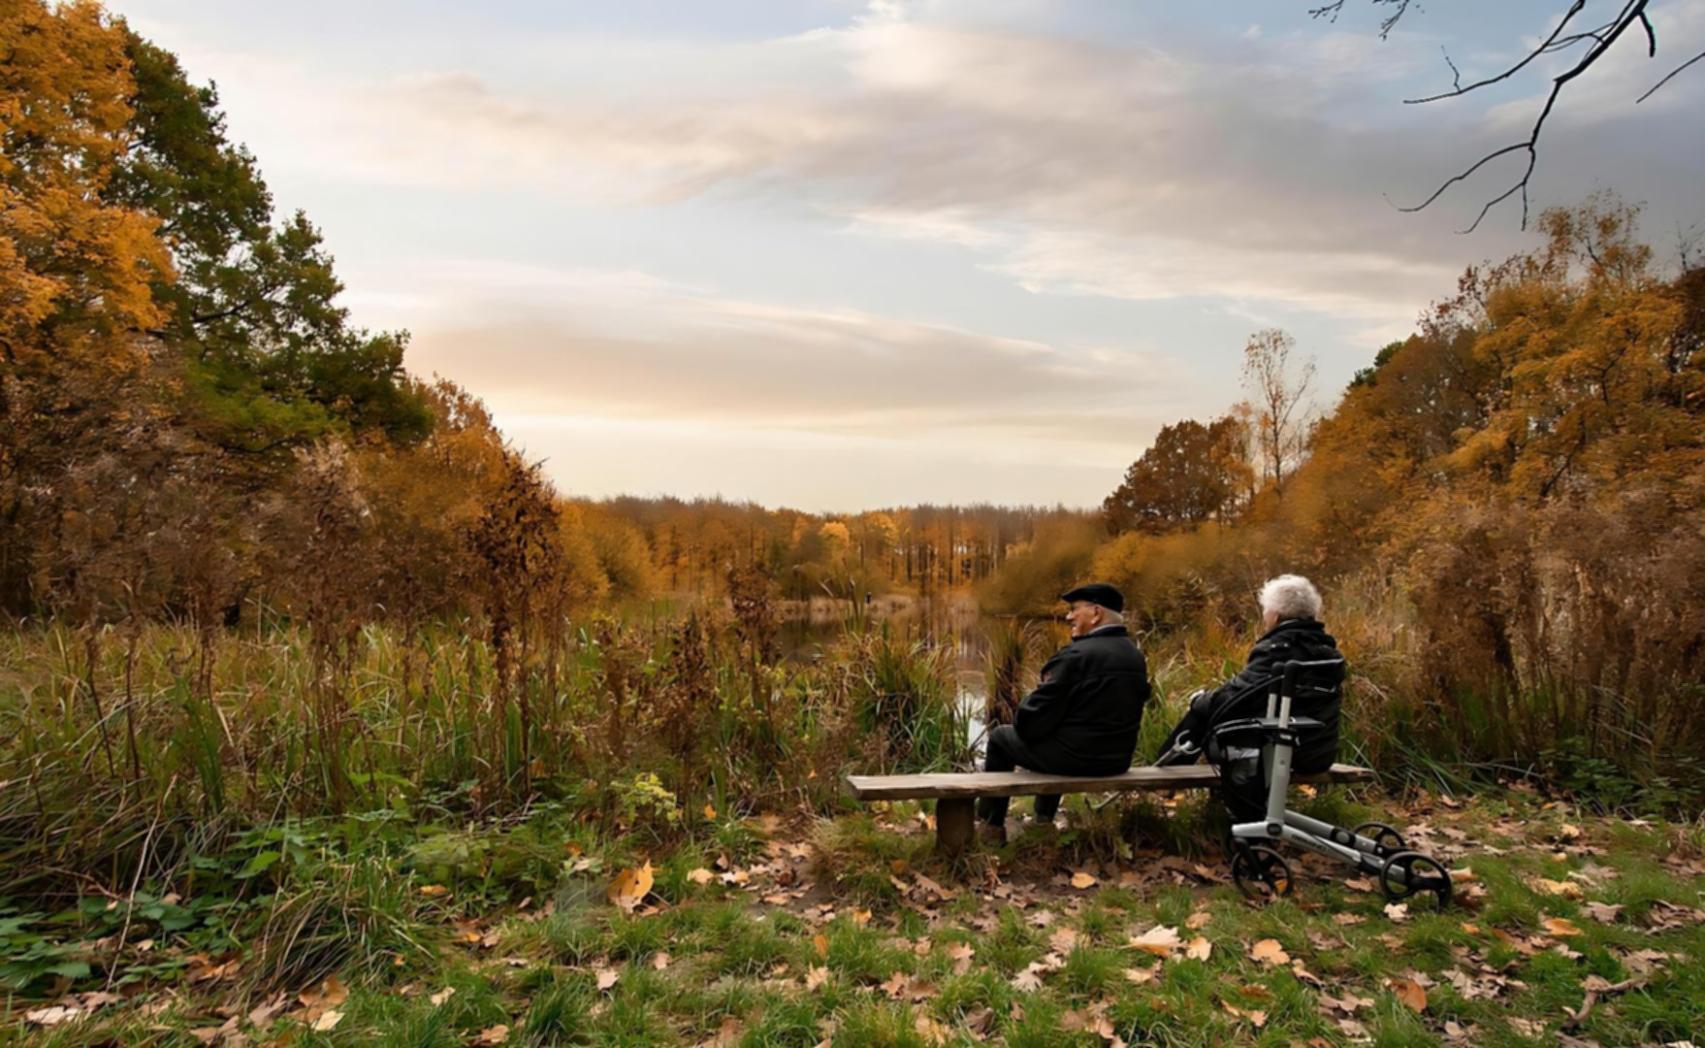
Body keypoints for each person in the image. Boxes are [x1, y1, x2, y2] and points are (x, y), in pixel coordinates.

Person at [977, 582, 1151, 844]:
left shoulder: (1075, 656)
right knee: (1059, 731)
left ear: (1095, 613)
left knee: (1002, 737)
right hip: (1116, 760)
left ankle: (992, 826)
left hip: (1076, 759)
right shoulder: (1135, 657)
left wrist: (1025, 712)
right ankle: (1042, 820)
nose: (1068, 616)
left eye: (1074, 610)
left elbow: (1030, 722)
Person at [1154, 574, 1343, 790]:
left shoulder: (1277, 649)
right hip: (1318, 751)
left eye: (1265, 609)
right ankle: (1172, 779)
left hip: (1280, 752)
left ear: (1276, 614)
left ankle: (1163, 776)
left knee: (1204, 710)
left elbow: (1237, 698)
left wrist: (1199, 700)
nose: (1264, 615)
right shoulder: (1328, 652)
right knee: (1212, 706)